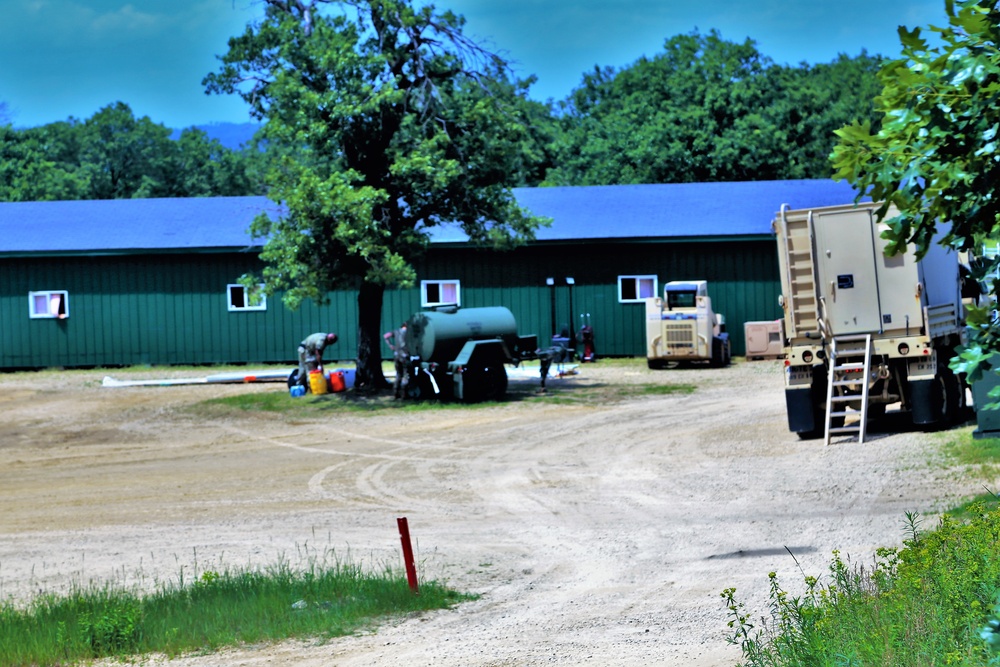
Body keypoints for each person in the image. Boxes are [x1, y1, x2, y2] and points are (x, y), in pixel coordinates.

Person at [383, 322, 410, 399]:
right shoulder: (408, 333)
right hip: (405, 355)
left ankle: (396, 393)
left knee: (398, 374)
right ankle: (404, 395)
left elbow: (385, 336)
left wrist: (391, 345)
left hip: (396, 355)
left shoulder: (396, 331)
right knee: (406, 375)